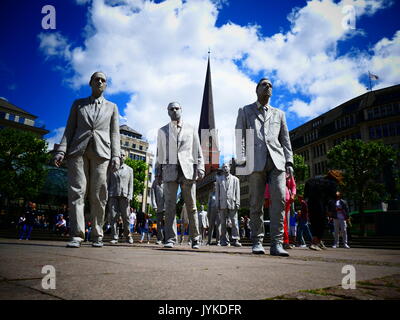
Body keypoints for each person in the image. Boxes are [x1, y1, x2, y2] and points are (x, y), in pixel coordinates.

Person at [53, 71, 121, 248]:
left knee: (99, 194)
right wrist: (61, 150)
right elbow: (69, 129)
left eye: (103, 80)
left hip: (102, 152)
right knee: (77, 191)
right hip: (78, 150)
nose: (99, 82)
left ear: (105, 85)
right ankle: (77, 234)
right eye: (96, 79)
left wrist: (116, 155)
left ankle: (97, 235)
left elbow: (115, 133)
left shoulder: (112, 107)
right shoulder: (78, 104)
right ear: (90, 83)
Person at [235, 78, 294, 256]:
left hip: (277, 161)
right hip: (255, 161)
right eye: (264, 84)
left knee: (279, 200)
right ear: (256, 89)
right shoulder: (246, 110)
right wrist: (242, 158)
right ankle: (257, 241)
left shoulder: (279, 114)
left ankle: (277, 243)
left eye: (270, 85)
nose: (268, 87)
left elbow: (285, 140)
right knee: (256, 203)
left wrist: (289, 161)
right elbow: (240, 136)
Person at [155, 102, 205, 249]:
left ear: (181, 110)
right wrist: (158, 173)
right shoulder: (162, 131)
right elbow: (160, 154)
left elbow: (198, 151)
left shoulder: (191, 128)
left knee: (192, 206)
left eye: (177, 108)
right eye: (171, 109)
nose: (174, 110)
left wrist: (200, 168)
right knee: (169, 206)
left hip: (187, 170)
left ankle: (195, 238)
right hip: (169, 171)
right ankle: (170, 238)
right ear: (168, 112)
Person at [304, 170, 342, 251]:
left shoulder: (314, 179)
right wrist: (330, 210)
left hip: (311, 203)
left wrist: (306, 198)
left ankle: (318, 241)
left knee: (314, 223)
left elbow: (307, 185)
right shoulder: (332, 183)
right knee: (321, 223)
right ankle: (315, 243)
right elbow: (332, 198)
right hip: (320, 204)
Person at [108, 153, 134, 245]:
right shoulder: (111, 169)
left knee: (126, 217)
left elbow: (131, 184)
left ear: (126, 157)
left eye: (123, 155)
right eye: (120, 155)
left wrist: (130, 196)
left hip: (125, 196)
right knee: (113, 217)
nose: (121, 157)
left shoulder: (130, 170)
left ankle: (128, 236)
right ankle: (114, 237)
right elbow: (108, 182)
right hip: (113, 195)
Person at [215, 163, 242, 247]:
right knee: (223, 223)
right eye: (224, 167)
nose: (225, 168)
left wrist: (237, 202)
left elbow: (237, 192)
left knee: (234, 222)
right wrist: (217, 204)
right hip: (222, 203)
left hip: (232, 202)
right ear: (222, 169)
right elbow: (217, 193)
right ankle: (224, 240)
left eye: (226, 167)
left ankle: (235, 239)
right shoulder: (219, 179)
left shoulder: (235, 179)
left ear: (229, 168)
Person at [150, 179, 165, 245]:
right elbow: (152, 194)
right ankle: (160, 239)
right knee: (159, 224)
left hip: (167, 207)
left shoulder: (168, 180)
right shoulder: (155, 182)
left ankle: (167, 239)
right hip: (158, 206)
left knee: (168, 224)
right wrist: (154, 206)